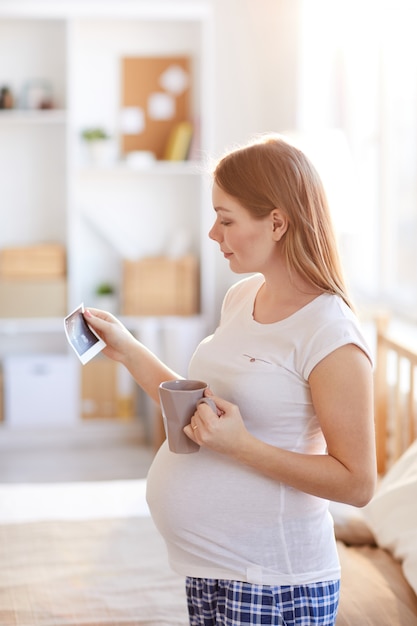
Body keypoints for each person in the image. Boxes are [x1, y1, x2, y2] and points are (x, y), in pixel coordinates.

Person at [84, 134, 376, 626]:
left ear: (277, 222)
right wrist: (129, 350)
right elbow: (203, 410)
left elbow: (358, 484)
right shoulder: (242, 297)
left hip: (273, 581)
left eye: (226, 219)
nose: (212, 234)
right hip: (213, 570)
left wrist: (242, 447)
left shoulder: (332, 333)